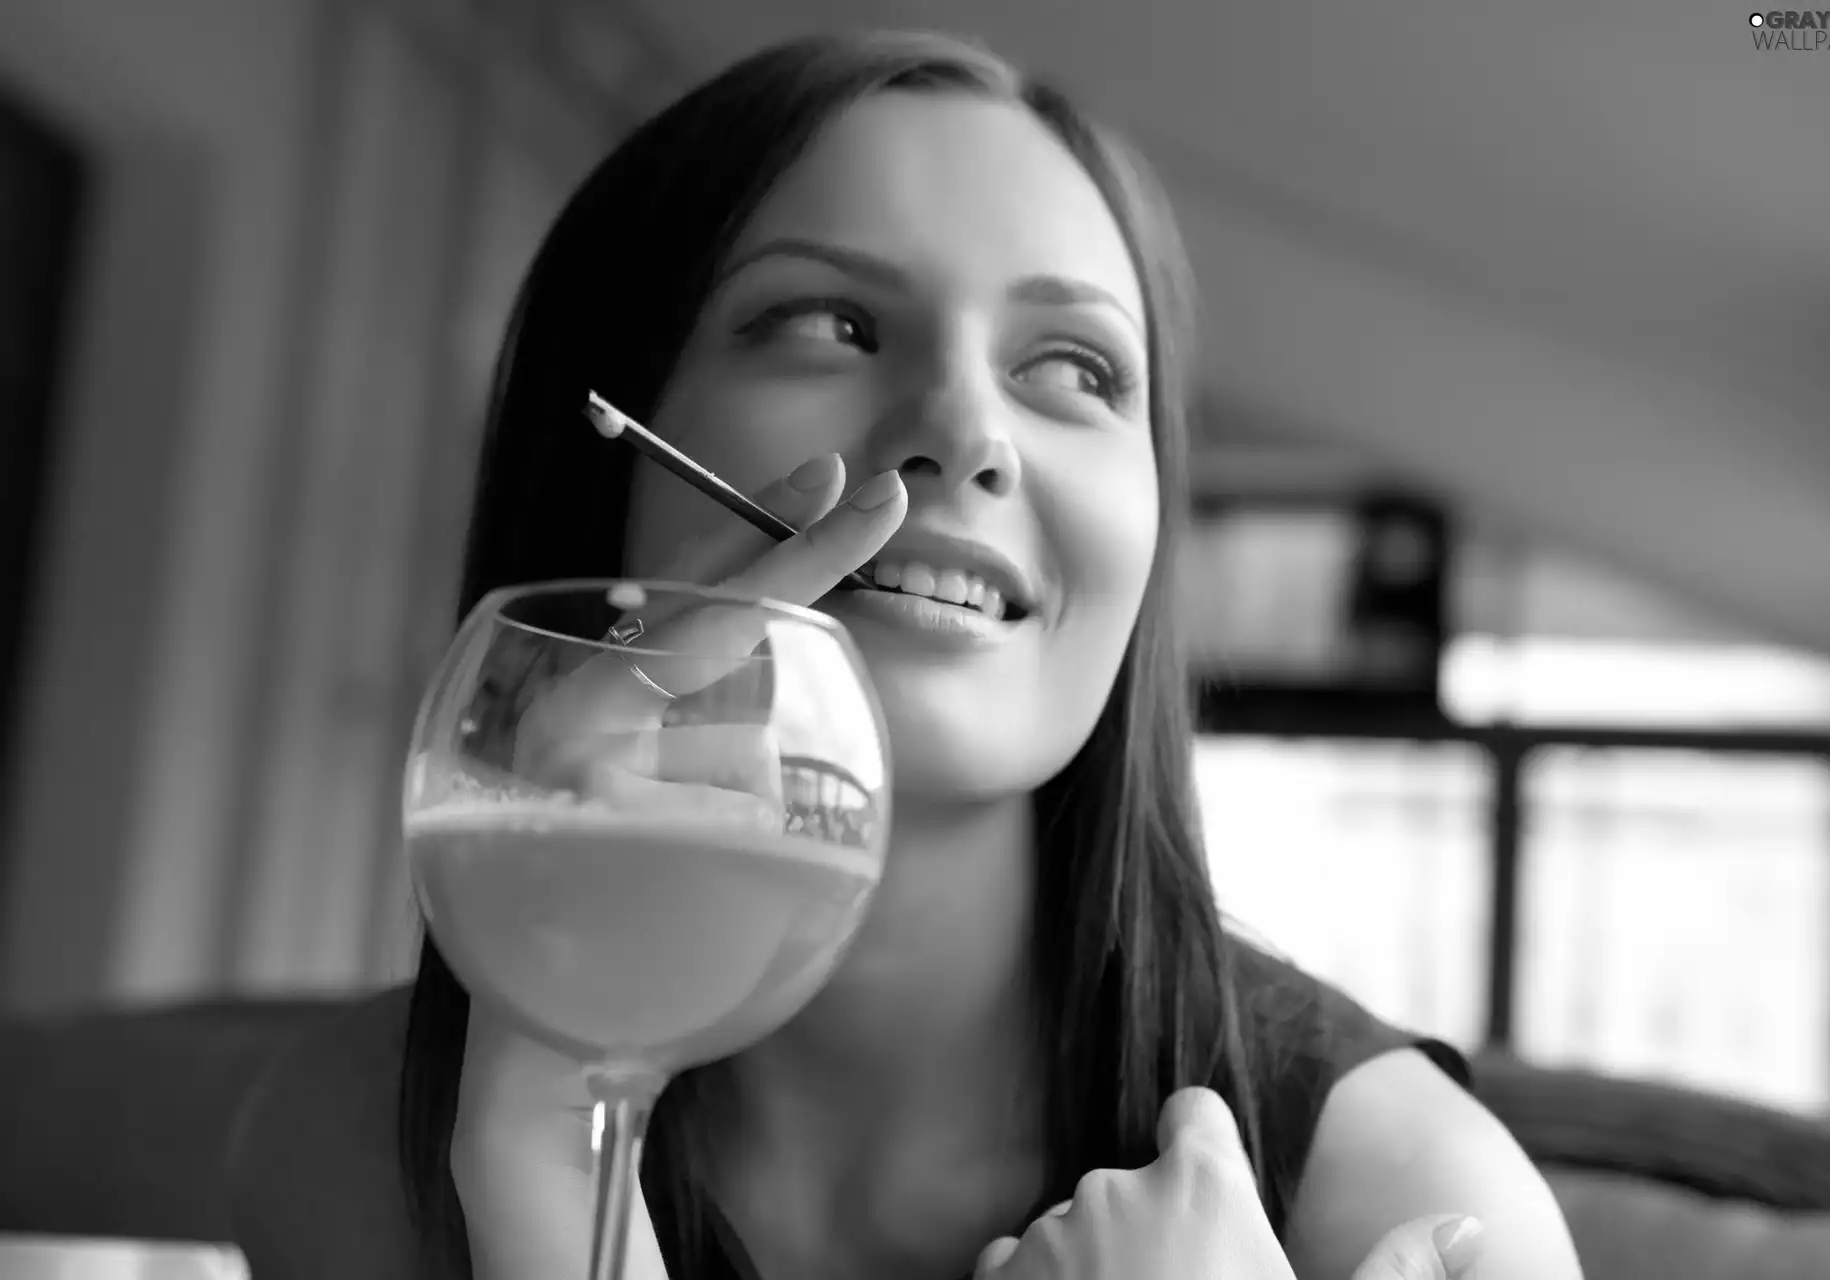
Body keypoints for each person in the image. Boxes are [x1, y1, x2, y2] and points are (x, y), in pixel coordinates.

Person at [229, 29, 1582, 1280]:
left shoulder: (1413, 1205)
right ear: (610, 459)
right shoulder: (350, 1148)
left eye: (1074, 369)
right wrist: (537, 1130)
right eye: (831, 324)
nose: (963, 430)